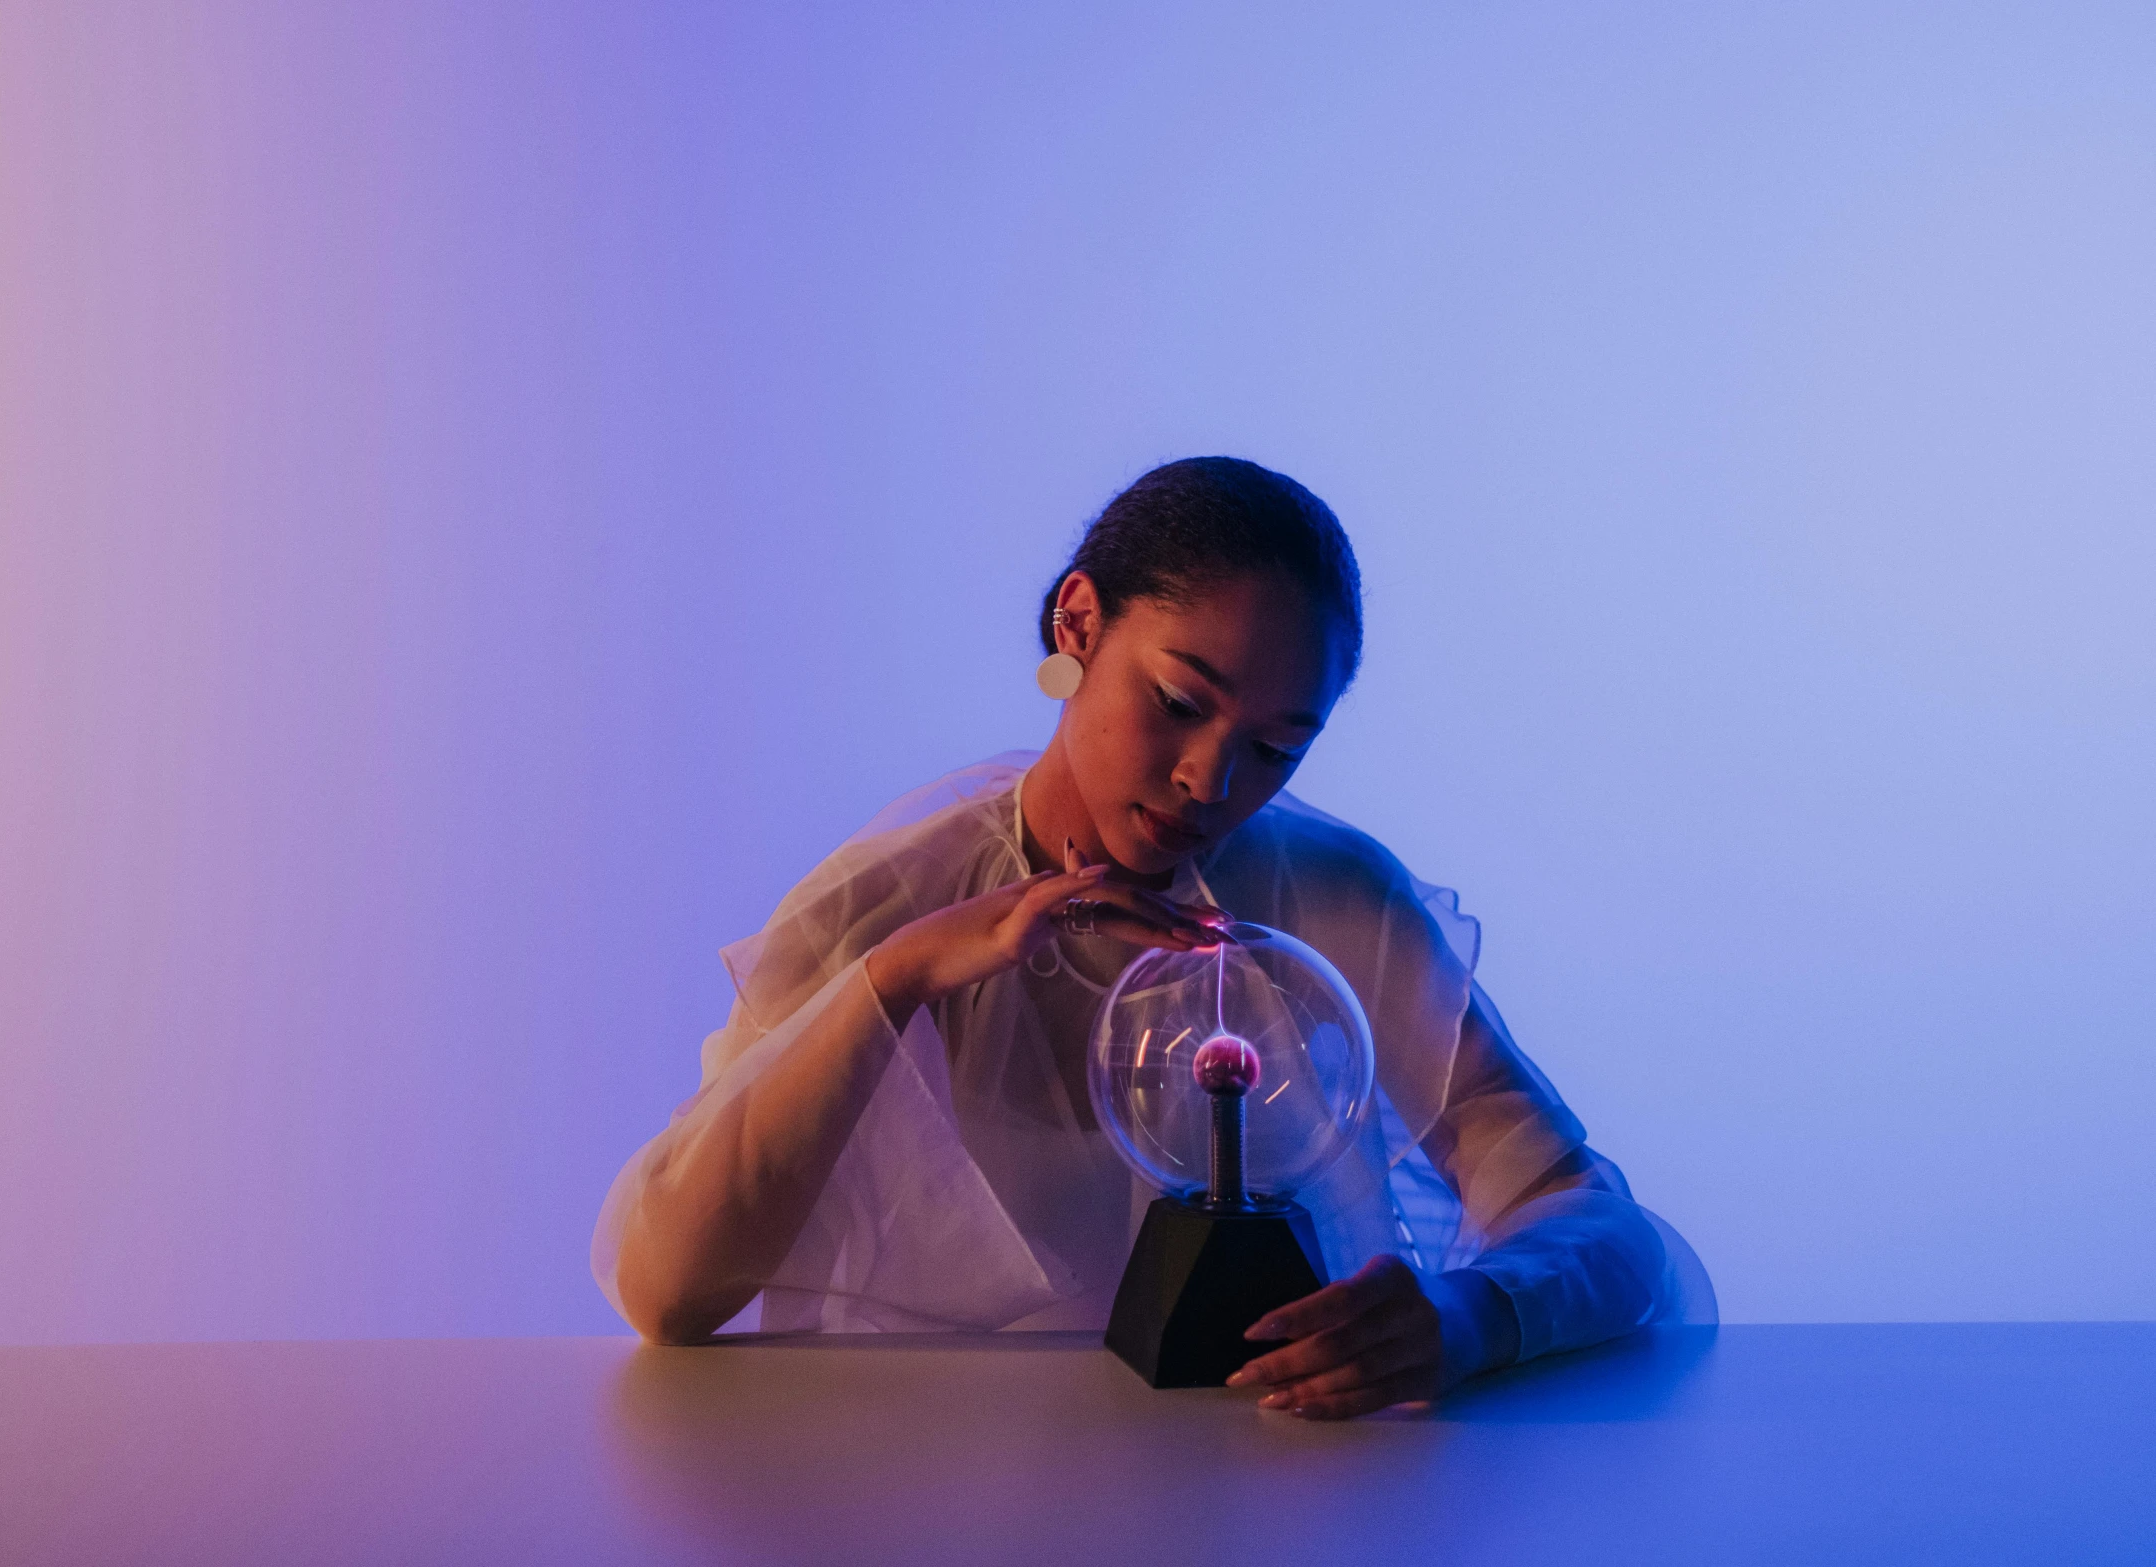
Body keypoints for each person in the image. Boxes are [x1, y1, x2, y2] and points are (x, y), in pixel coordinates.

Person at [595, 457, 1712, 1420]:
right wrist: (901, 976)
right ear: (1077, 624)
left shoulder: (1331, 902)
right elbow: (665, 1292)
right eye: (1181, 701)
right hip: (925, 1488)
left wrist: (1466, 1317)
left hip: (1267, 1490)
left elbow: (1600, 1224)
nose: (1209, 781)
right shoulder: (876, 909)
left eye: (1275, 748)